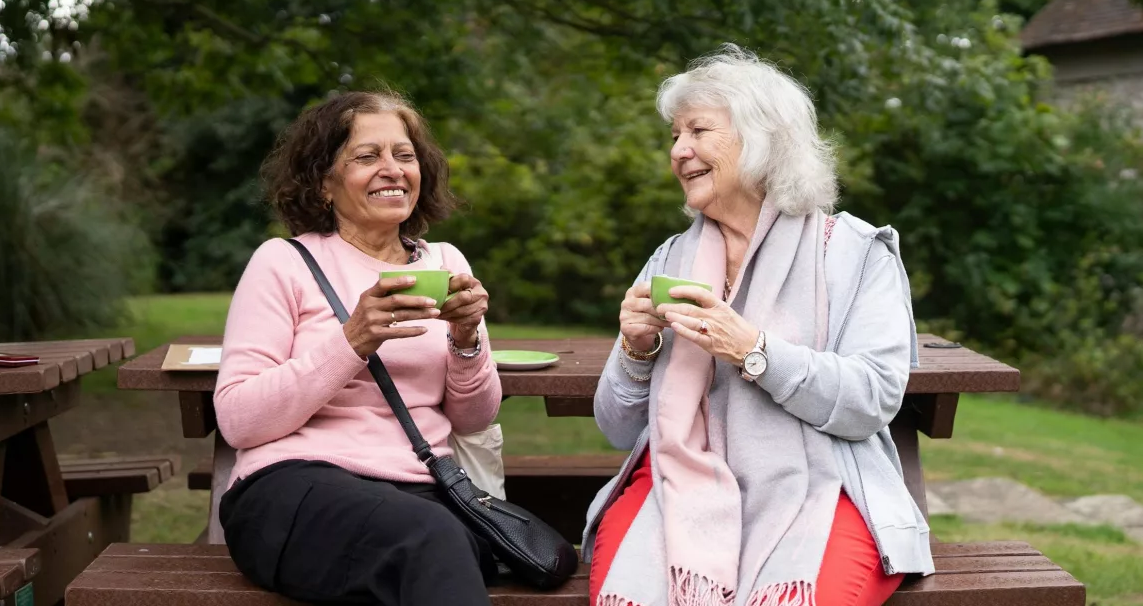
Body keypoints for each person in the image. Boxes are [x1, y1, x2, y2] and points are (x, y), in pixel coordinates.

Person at [583, 45, 935, 606]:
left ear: (763, 138)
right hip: (677, 490)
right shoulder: (669, 260)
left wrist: (755, 351)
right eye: (674, 136)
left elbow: (872, 399)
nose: (679, 151)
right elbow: (619, 429)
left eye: (698, 131)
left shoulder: (855, 253)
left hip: (823, 485)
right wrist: (636, 347)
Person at [213, 91, 501, 606]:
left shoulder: (444, 259)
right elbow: (239, 420)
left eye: (404, 155)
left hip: (422, 489)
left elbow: (475, 416)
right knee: (430, 541)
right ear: (324, 183)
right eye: (367, 157)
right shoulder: (283, 262)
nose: (392, 170)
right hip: (294, 486)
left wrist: (466, 338)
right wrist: (353, 340)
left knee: (460, 545)